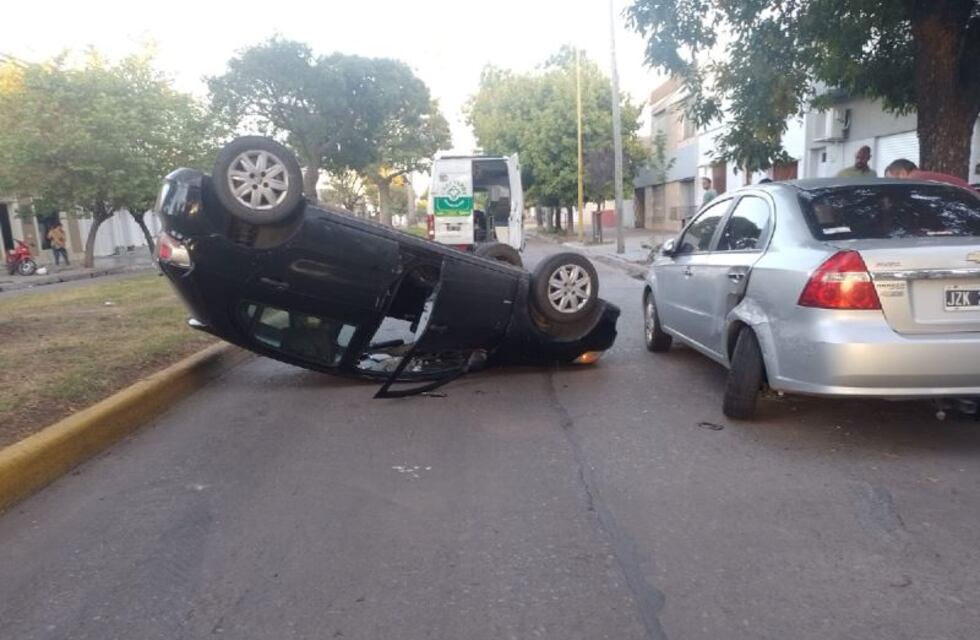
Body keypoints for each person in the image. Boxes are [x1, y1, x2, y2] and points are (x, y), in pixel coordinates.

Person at [883, 158, 971, 189]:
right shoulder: (924, 177)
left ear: (902, 173)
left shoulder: (915, 180)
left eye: (890, 179)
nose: (890, 184)